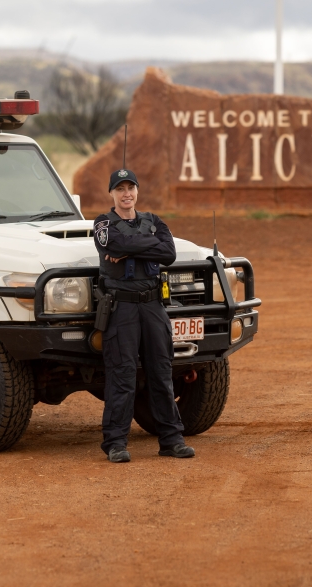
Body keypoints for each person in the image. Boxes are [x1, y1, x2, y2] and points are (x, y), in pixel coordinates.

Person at [93, 168, 195, 463]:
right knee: (122, 374)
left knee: (162, 373)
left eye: (131, 188)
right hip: (121, 307)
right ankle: (115, 443)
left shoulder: (154, 221)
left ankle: (171, 440)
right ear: (111, 193)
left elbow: (169, 253)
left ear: (137, 191)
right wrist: (144, 247)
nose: (127, 194)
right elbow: (114, 244)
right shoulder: (102, 223)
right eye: (120, 189)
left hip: (153, 306)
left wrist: (130, 251)